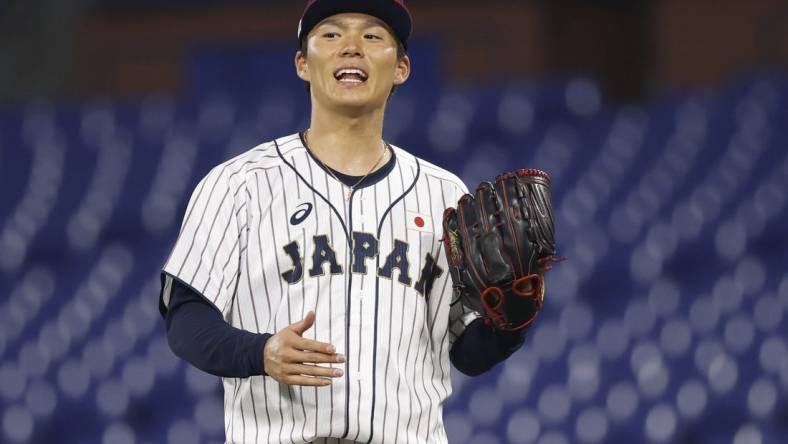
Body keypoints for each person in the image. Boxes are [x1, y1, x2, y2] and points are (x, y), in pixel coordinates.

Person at [159, 1, 526, 442]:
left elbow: (467, 353)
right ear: (302, 63)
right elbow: (186, 321)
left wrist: (513, 319)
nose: (351, 47)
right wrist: (260, 352)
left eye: (373, 37)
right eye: (331, 35)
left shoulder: (446, 195)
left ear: (402, 68)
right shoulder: (238, 184)